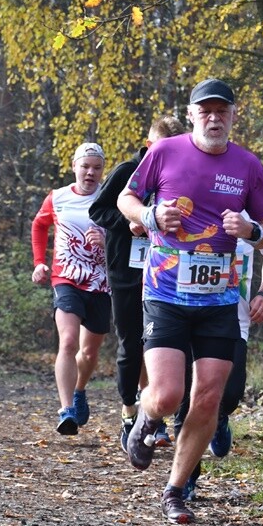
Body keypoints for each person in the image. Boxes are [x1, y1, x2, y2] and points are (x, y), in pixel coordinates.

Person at [117, 78, 263, 523]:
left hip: (221, 299)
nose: (214, 118)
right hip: (166, 292)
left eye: (221, 111)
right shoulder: (165, 151)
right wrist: (151, 214)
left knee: (208, 397)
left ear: (233, 116)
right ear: (191, 115)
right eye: (205, 111)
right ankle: (148, 421)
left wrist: (250, 231)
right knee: (168, 395)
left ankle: (175, 490)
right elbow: (126, 198)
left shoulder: (248, 164)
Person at [88, 115, 185, 452]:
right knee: (131, 342)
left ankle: (157, 418)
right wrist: (131, 222)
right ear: (149, 145)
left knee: (164, 344)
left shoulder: (186, 172)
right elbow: (98, 210)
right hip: (128, 269)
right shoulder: (129, 170)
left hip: (170, 271)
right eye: (163, 149)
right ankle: (129, 413)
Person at [175, 232, 263, 500]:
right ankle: (186, 478)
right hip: (186, 315)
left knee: (230, 394)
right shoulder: (190, 208)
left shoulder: (247, 214)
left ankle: (220, 416)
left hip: (233, 319)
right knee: (186, 400)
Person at [31, 141, 111, 435]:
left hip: (102, 283)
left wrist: (107, 241)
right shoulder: (59, 197)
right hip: (66, 278)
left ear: (103, 170)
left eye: (96, 168)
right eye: (85, 166)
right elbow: (39, 225)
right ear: (74, 166)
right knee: (68, 342)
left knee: (89, 353)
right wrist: (39, 262)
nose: (90, 173)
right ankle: (65, 410)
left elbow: (129, 233)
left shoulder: (113, 198)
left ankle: (79, 390)